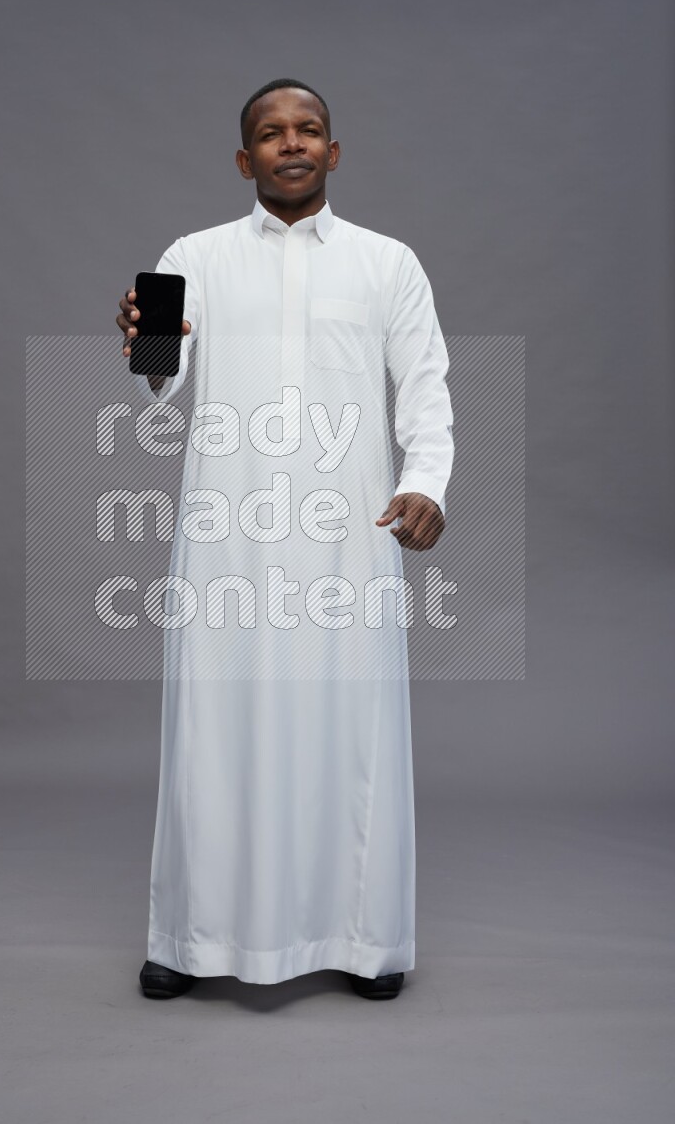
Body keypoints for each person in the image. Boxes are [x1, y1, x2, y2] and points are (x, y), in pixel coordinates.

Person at [115, 79, 454, 1002]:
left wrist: (425, 483)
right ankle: (190, 937)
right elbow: (158, 381)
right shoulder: (191, 257)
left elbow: (425, 387)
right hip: (227, 535)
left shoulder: (388, 263)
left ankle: (363, 937)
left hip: (349, 536)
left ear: (333, 152)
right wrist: (143, 343)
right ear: (245, 160)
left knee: (351, 734)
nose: (291, 143)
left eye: (308, 130)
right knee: (213, 733)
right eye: (271, 133)